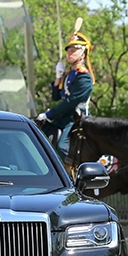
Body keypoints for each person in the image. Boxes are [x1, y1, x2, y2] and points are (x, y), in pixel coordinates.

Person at [36, 28, 94, 162]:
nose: (70, 53)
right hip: (64, 117)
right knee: (41, 135)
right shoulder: (70, 74)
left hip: (77, 118)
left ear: (83, 55)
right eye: (69, 50)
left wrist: (49, 114)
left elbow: (71, 102)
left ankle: (72, 172)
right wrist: (58, 77)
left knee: (63, 147)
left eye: (74, 50)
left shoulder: (84, 77)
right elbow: (56, 97)